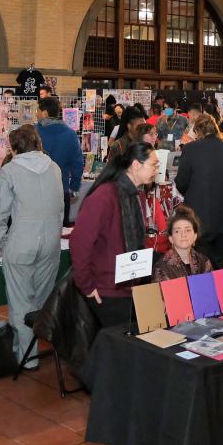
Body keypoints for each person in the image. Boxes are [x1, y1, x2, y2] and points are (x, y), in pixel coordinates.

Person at [0, 125, 63, 369]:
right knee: (40, 301)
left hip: (21, 242)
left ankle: (26, 359)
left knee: (21, 302)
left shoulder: (10, 170)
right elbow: (61, 207)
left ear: (14, 147)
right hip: (51, 242)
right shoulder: (54, 167)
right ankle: (33, 348)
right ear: (38, 143)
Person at [70, 142, 158, 331]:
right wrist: (87, 286)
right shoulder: (104, 196)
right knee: (121, 348)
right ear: (136, 165)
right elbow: (79, 243)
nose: (157, 170)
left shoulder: (135, 194)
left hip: (133, 285)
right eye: (153, 165)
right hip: (109, 289)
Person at [175, 113, 223, 269]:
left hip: (198, 214)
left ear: (198, 131)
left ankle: (200, 293)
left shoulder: (190, 149)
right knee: (220, 262)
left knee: (197, 263)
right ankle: (220, 292)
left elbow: (181, 183)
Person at [35, 97, 84, 226]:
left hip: (36, 190)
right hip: (62, 190)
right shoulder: (70, 134)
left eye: (38, 110)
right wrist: (74, 187)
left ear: (45, 113)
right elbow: (78, 163)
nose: (36, 113)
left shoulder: (34, 132)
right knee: (61, 232)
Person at [151, 207, 213, 281]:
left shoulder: (204, 261)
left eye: (188, 230)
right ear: (171, 238)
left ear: (195, 236)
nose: (183, 234)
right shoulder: (161, 267)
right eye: (177, 231)